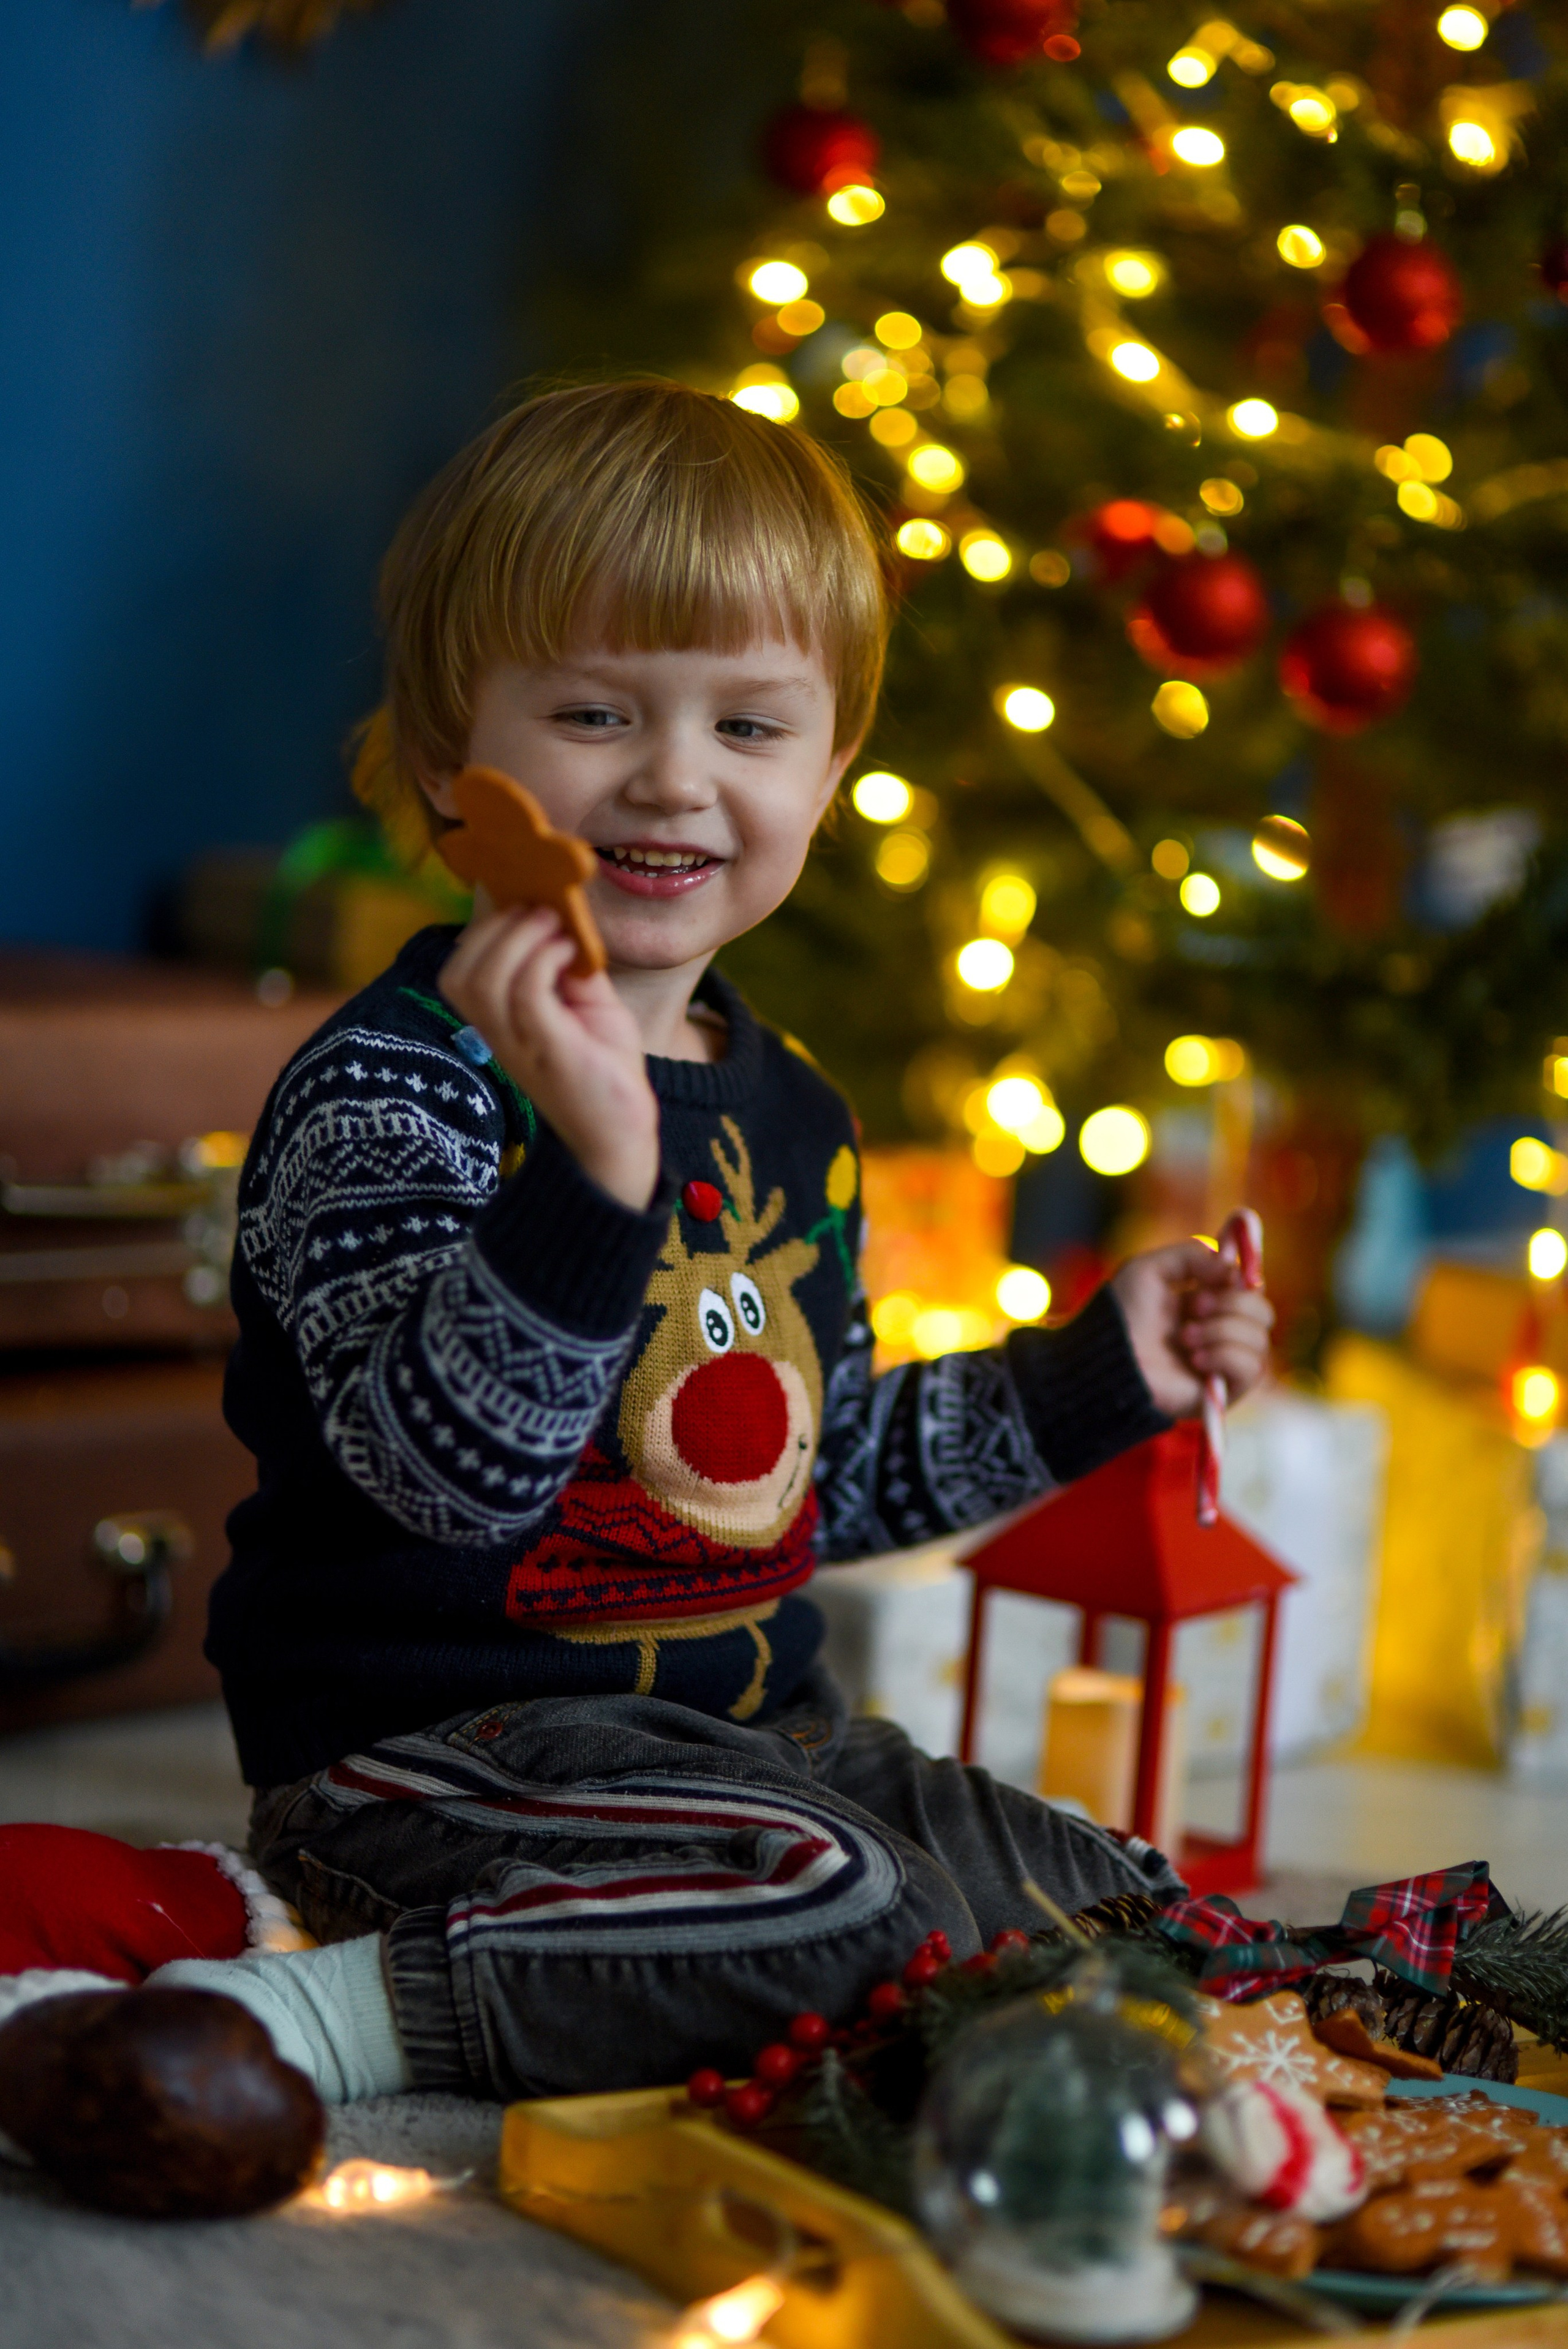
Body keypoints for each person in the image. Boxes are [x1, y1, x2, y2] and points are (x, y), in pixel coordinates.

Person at [151, 382, 1273, 2106]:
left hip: (747, 1748)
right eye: (595, 712)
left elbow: (806, 1482)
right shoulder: (394, 1087)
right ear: (453, 757)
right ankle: (334, 2012)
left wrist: (1103, 1369)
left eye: (751, 726)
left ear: (830, 774)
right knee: (851, 1914)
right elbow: (440, 1487)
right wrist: (597, 1178)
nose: (673, 776)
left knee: (1107, 1898)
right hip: (431, 1763)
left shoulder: (796, 1110)